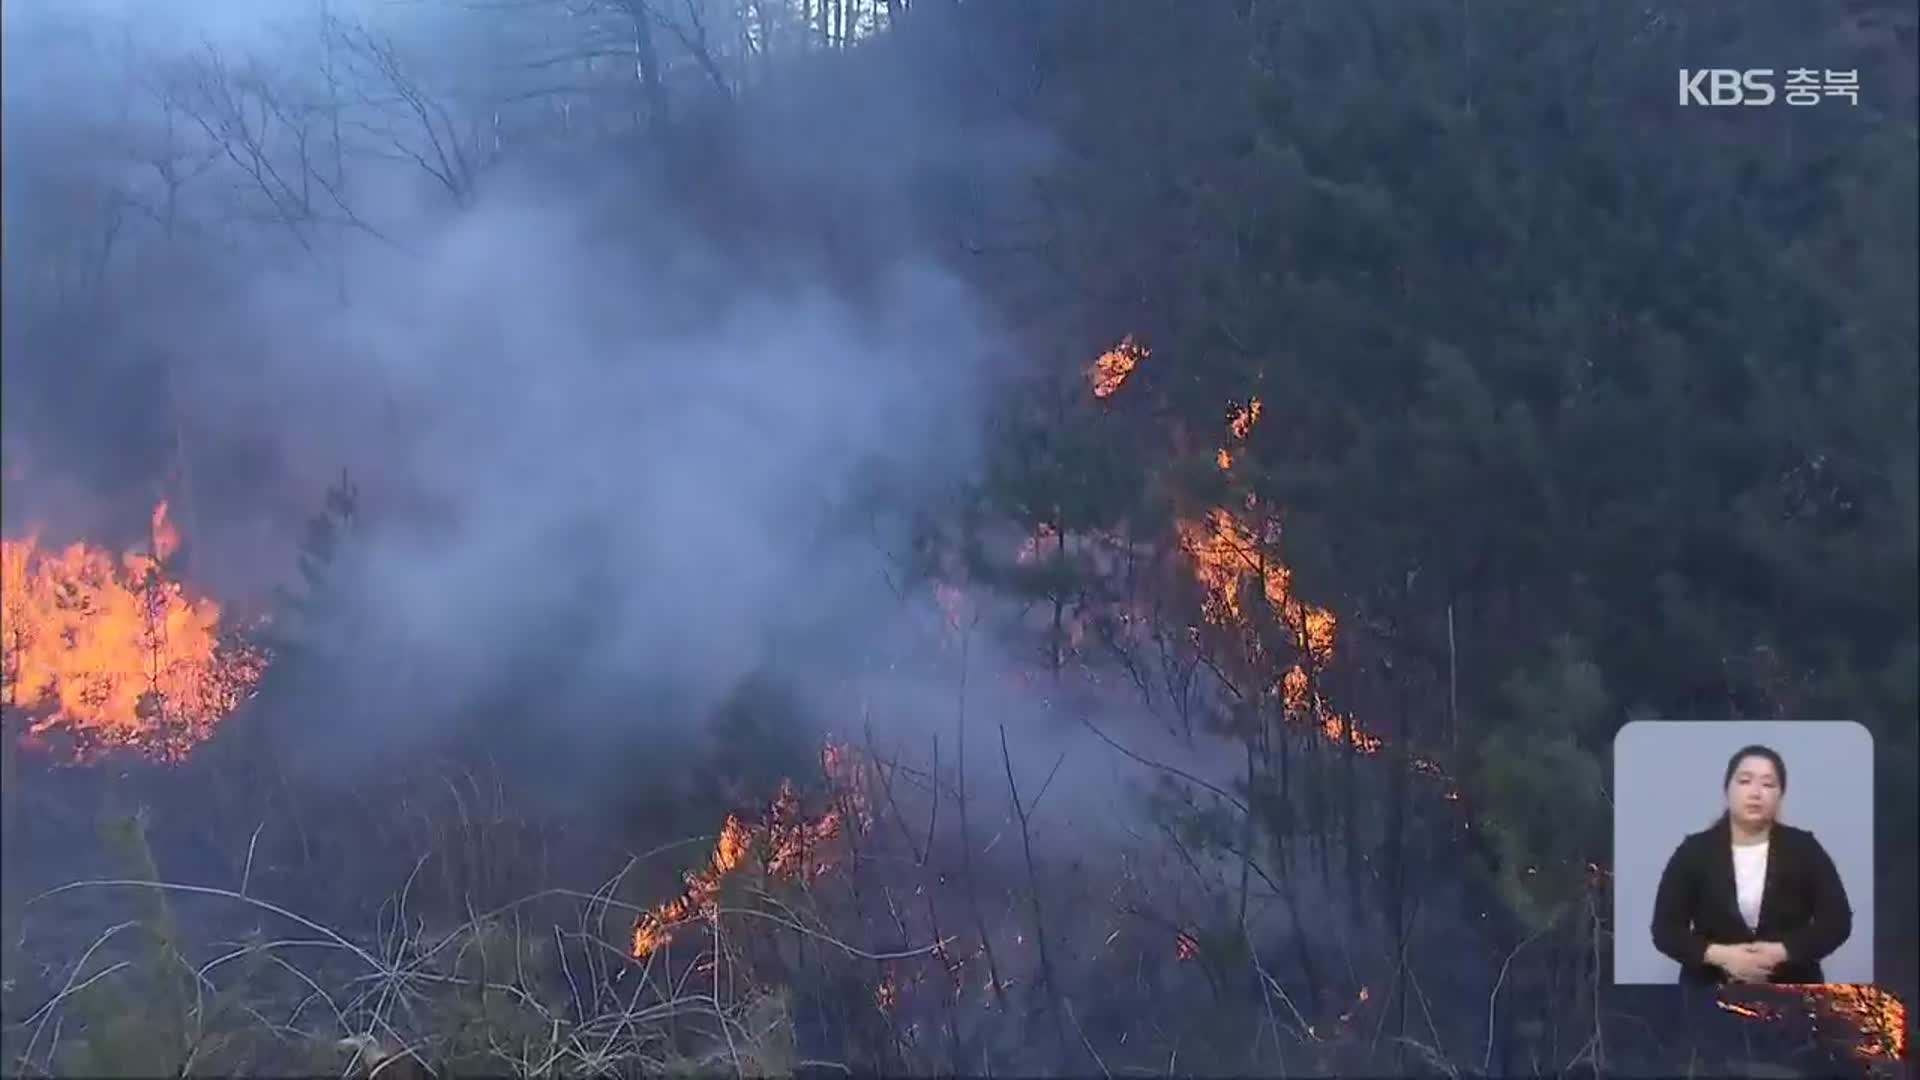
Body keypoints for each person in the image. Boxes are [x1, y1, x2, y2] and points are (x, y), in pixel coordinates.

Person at [1649, 744, 1853, 985]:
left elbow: (1837, 922)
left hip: (1794, 994)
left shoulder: (1804, 848)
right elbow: (1665, 930)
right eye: (1745, 781)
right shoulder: (1694, 851)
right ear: (1727, 789)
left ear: (1780, 795)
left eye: (1768, 784)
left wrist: (1782, 951)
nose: (1756, 793)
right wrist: (1723, 957)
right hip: (1709, 993)